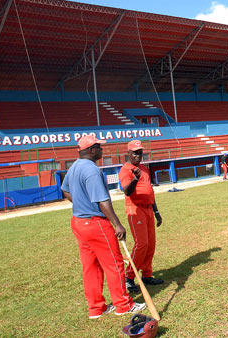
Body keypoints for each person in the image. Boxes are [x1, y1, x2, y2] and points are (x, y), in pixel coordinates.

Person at [61, 135, 146, 319]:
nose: (102, 150)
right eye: (99, 147)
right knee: (114, 264)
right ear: (91, 149)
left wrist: (80, 204)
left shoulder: (74, 166)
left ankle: (96, 308)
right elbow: (102, 200)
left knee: (90, 267)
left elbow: (64, 189)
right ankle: (123, 304)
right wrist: (117, 224)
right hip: (95, 223)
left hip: (78, 222)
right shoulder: (91, 169)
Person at [119, 140, 164, 293]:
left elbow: (150, 191)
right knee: (142, 243)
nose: (138, 155)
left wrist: (156, 212)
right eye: (135, 152)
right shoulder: (126, 170)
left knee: (151, 243)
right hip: (135, 209)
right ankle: (129, 277)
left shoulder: (144, 168)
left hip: (148, 209)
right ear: (129, 154)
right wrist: (135, 179)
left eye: (140, 152)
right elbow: (127, 191)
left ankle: (147, 275)